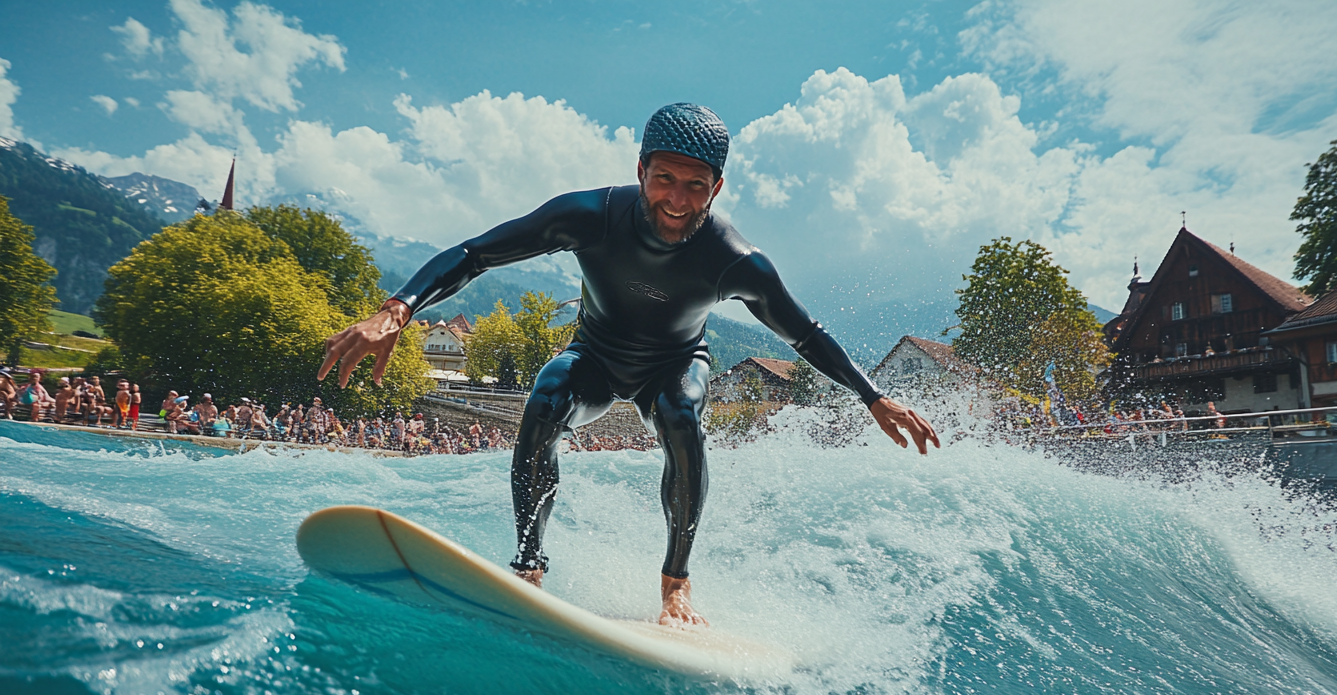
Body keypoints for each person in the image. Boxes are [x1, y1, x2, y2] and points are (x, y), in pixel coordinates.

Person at [317, 103, 939, 625]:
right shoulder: (589, 217)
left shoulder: (735, 260)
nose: (677, 198)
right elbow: (475, 254)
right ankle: (529, 565)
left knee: (680, 413)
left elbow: (804, 333)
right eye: (664, 178)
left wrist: (873, 396)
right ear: (641, 169)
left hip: (674, 365)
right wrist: (398, 310)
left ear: (716, 188)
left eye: (696, 185)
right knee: (545, 399)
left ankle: (675, 583)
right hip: (594, 357)